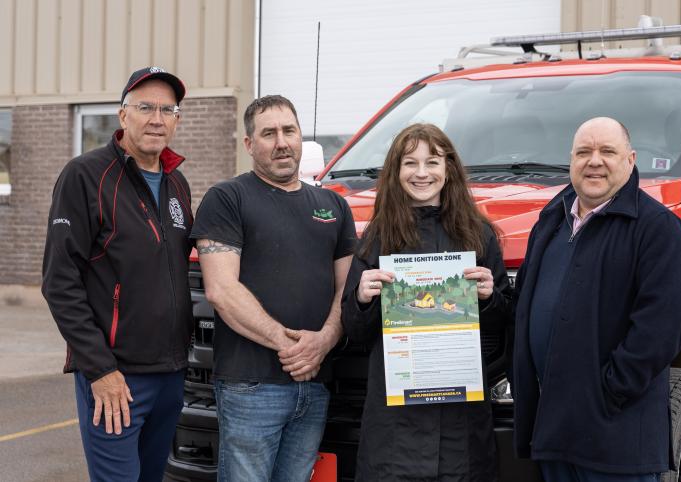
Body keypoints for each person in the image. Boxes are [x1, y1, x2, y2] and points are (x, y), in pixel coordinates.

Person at [512, 117, 681, 481]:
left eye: (607, 151)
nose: (594, 161)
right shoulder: (551, 220)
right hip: (554, 433)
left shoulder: (658, 228)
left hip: (615, 439)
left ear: (630, 159)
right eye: (584, 152)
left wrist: (608, 392)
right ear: (571, 160)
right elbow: (524, 306)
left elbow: (663, 326)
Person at [190, 95, 355, 481]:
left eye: (289, 131)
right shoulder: (227, 199)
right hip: (251, 386)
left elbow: (346, 290)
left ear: (301, 137)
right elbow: (221, 290)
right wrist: (293, 348)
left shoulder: (334, 206)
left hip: (315, 384)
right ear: (250, 144)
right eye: (269, 134)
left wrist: (323, 342)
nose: (282, 142)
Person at [42, 66, 193, 481]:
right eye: (145, 107)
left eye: (167, 110)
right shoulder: (85, 176)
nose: (157, 119)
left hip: (171, 374)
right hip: (116, 377)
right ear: (123, 114)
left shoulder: (178, 183)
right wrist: (100, 369)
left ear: (177, 120)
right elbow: (59, 282)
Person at [342, 123, 512, 481]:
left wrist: (489, 298)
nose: (422, 173)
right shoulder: (378, 236)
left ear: (448, 169)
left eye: (432, 162)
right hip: (395, 424)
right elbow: (355, 331)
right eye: (410, 163)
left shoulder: (478, 234)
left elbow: (505, 322)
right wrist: (361, 298)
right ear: (396, 171)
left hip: (459, 422)